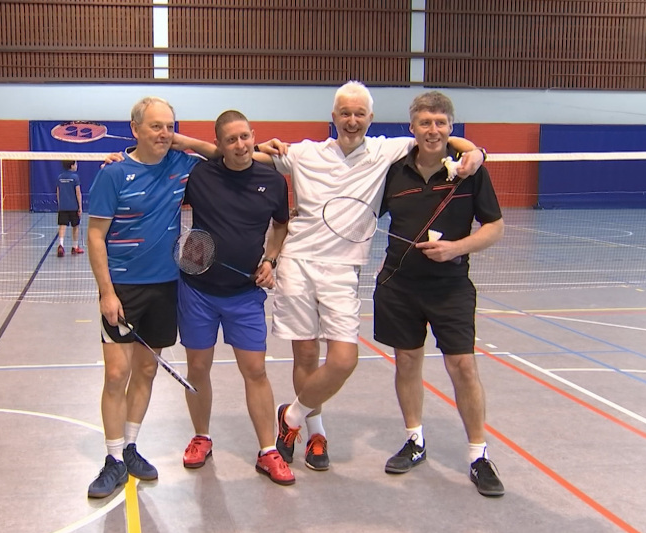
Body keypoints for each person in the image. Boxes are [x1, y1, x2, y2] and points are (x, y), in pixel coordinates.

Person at [259, 81, 486, 472]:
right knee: (307, 353)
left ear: (370, 118)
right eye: (344, 113)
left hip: (344, 269)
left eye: (359, 113)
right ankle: (315, 432)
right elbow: (239, 155)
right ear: (333, 117)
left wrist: (476, 153)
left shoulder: (387, 150)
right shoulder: (304, 153)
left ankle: (291, 416)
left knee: (343, 358)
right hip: (298, 262)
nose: (351, 120)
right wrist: (262, 145)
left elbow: (447, 140)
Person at [375, 91, 505, 497]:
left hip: (450, 286)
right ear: (412, 128)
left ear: (451, 128)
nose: (433, 130)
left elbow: (494, 227)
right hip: (399, 284)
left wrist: (456, 248)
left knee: (463, 367)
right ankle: (415, 440)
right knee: (407, 362)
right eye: (425, 123)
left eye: (441, 123)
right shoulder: (393, 171)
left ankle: (478, 454)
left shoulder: (470, 171)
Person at [85, 96, 209, 499]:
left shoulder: (181, 164)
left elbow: (222, 155)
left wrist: (178, 141)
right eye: (155, 126)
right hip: (123, 288)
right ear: (135, 128)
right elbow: (95, 235)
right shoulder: (114, 174)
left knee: (146, 372)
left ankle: (132, 447)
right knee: (117, 374)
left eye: (169, 125)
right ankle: (112, 458)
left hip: (164, 286)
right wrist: (106, 292)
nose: (163, 132)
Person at [178, 110, 294, 485]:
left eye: (245, 137)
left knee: (256, 371)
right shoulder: (200, 176)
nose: (240, 145)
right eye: (231, 140)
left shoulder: (273, 181)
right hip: (197, 288)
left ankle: (267, 450)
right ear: (220, 144)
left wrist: (271, 259)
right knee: (197, 369)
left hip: (245, 293)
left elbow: (280, 226)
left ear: (253, 136)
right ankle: (201, 436)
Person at [55, 160, 84, 257]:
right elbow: (78, 192)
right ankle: (75, 247)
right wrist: (80, 207)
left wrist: (60, 204)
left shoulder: (60, 177)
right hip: (73, 207)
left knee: (62, 225)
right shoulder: (75, 177)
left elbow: (58, 192)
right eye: (75, 163)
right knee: (75, 226)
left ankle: (61, 245)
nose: (76, 165)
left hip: (63, 206)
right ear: (72, 166)